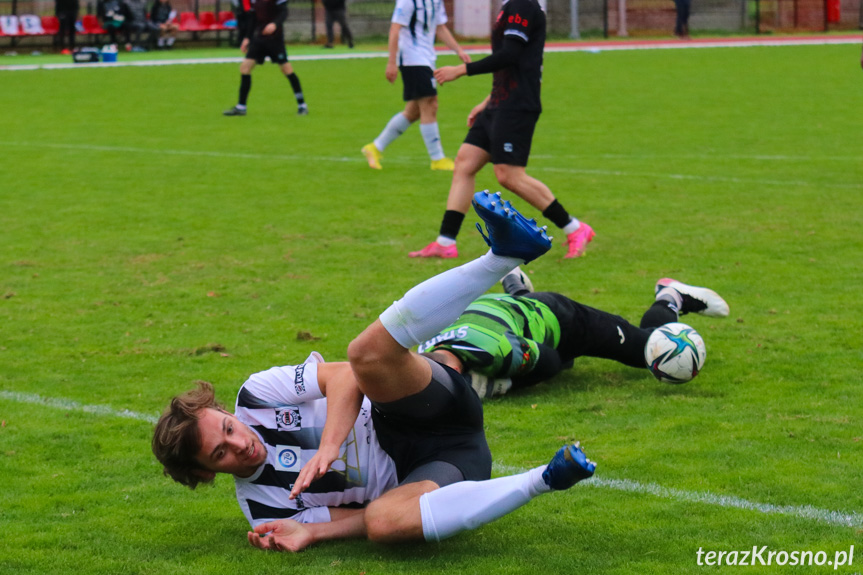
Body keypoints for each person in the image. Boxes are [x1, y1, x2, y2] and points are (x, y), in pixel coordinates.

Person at [152, 191, 596, 551]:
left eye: (227, 428)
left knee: (364, 354)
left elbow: (344, 376)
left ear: (223, 411)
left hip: (416, 409)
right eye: (220, 454)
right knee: (384, 523)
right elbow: (362, 520)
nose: (240, 443)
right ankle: (545, 478)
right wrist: (309, 530)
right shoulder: (267, 509)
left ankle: (501, 259)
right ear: (207, 474)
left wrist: (328, 448)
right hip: (438, 469)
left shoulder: (258, 396)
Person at [410, 0, 594, 260]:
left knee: (509, 175)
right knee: (465, 163)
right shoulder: (510, 6)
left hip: (518, 106)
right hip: (499, 103)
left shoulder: (523, 6)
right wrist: (487, 102)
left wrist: (462, 70)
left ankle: (575, 228)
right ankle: (445, 241)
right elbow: (512, 66)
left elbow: (511, 55)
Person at [419, 269, 729, 398]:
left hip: (562, 319)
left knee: (645, 349)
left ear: (458, 368)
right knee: (551, 353)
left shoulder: (496, 351)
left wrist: (494, 386)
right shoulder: (422, 351)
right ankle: (516, 287)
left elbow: (550, 362)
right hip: (499, 312)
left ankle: (670, 295)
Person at [361, 0, 470, 172]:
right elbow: (395, 29)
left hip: (427, 58)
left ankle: (374, 148)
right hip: (411, 58)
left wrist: (459, 50)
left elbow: (439, 27)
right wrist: (392, 62)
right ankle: (437, 159)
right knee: (430, 102)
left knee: (413, 111)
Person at [223, 0, 308, 117]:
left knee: (287, 70)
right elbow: (252, 18)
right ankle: (241, 107)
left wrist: (275, 24)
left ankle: (302, 105)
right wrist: (247, 38)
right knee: (245, 68)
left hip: (275, 40)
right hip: (259, 39)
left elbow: (284, 12)